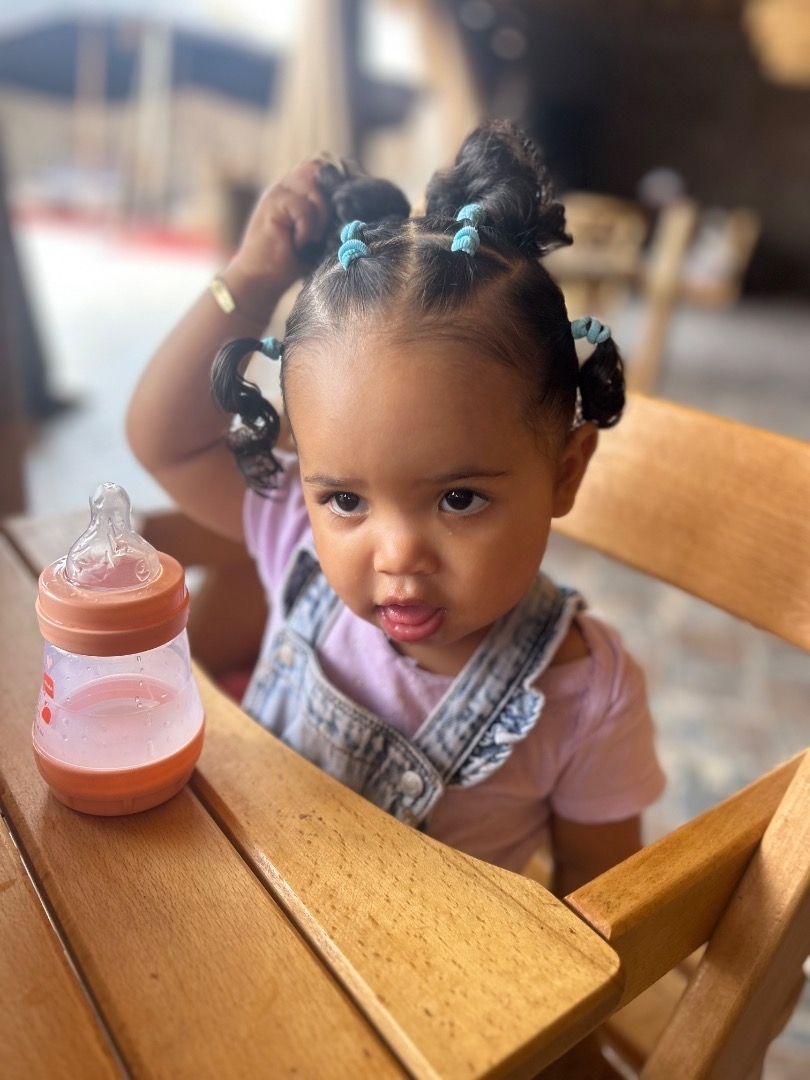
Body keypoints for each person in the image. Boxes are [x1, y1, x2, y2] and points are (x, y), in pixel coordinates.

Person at [127, 120, 664, 899]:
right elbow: (164, 440)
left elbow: (595, 902)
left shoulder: (585, 696)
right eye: (346, 499)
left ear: (565, 472)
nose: (397, 554)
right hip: (235, 905)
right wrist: (250, 278)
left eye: (458, 498)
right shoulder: (295, 535)